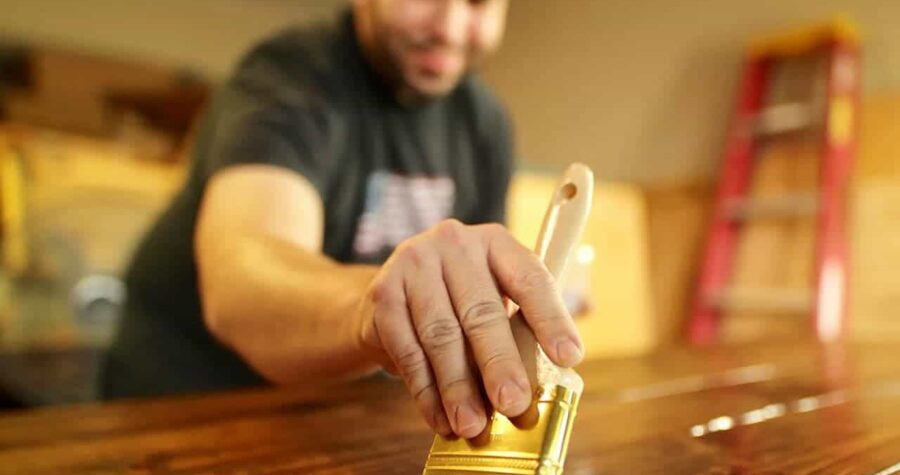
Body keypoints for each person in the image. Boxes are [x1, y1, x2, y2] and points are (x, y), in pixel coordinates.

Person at [101, 0, 584, 440]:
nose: (451, 28)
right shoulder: (287, 78)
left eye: (479, 2)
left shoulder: (485, 124)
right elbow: (239, 280)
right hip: (181, 415)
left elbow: (472, 288)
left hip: (341, 423)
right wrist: (376, 308)